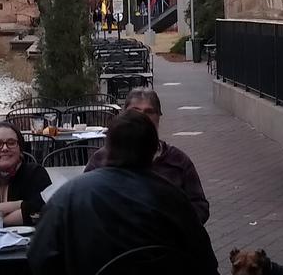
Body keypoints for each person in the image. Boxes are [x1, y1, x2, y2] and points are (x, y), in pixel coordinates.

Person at [28, 109, 218, 275]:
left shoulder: (69, 196)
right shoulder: (173, 199)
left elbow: (39, 261)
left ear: (106, 149)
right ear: (152, 151)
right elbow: (203, 268)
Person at [83, 87, 210, 223]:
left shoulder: (178, 161)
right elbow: (85, 201)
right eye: (135, 111)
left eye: (149, 112)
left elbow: (200, 206)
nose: (142, 117)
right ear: (123, 115)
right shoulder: (100, 159)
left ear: (159, 117)